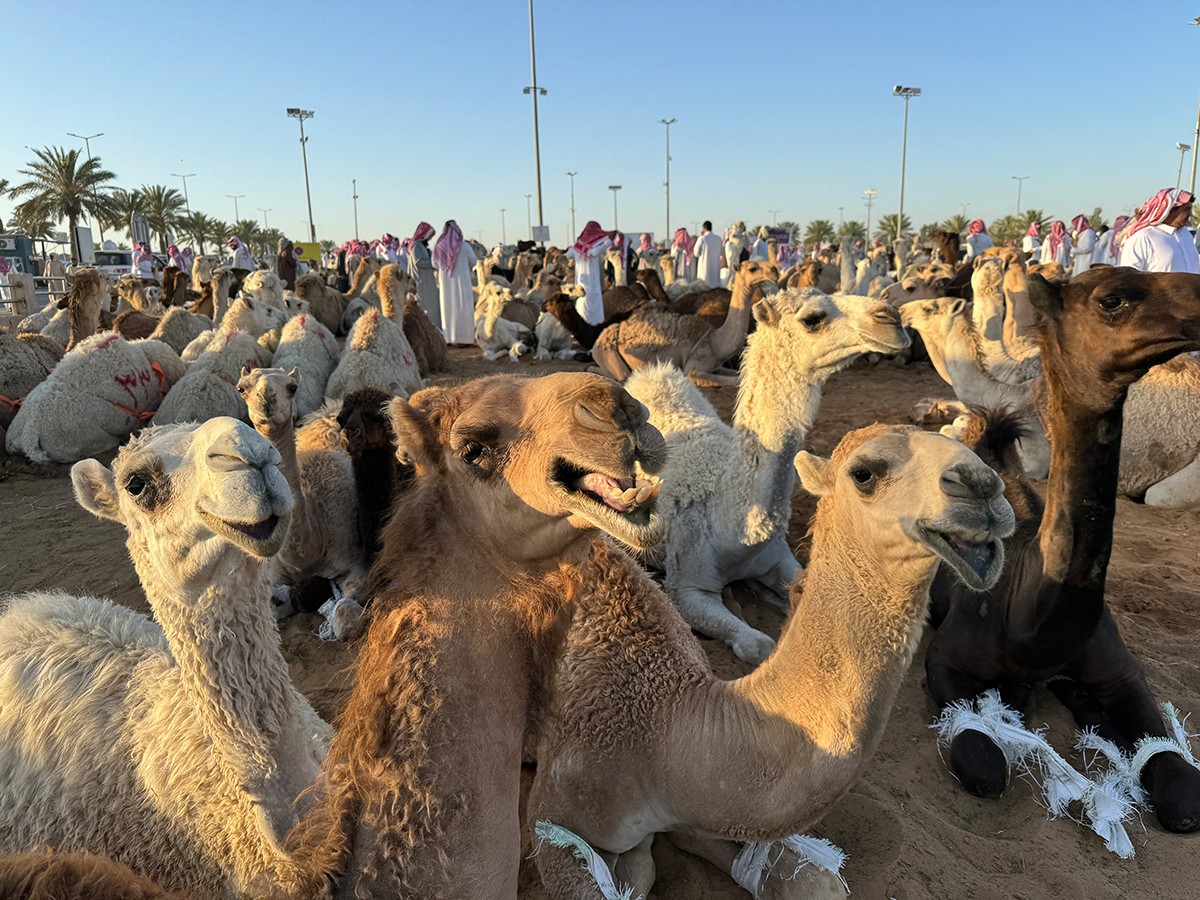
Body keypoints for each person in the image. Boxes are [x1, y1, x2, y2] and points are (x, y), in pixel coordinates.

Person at [1118, 188, 1199, 274]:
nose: (1190, 214)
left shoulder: (1186, 235)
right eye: (1186, 209)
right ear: (1170, 210)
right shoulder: (1142, 238)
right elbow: (1128, 278)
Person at [432, 219, 478, 346]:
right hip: (462, 283)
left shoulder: (439, 246)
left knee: (448, 309)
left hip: (446, 285)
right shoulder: (464, 245)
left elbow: (434, 263)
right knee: (463, 308)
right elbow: (474, 261)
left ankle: (449, 339)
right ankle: (465, 339)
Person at [567, 221, 612, 325]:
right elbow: (597, 251)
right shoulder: (594, 247)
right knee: (594, 307)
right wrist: (608, 239)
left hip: (580, 282)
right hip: (593, 283)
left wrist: (577, 243)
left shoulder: (577, 247)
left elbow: (568, 255)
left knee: (581, 305)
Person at [407, 221, 441, 329]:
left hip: (427, 281)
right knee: (424, 307)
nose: (429, 240)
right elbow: (419, 262)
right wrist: (433, 264)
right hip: (421, 282)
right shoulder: (416, 245)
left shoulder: (421, 246)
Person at [695, 221, 724, 287]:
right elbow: (721, 253)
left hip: (704, 273)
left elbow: (696, 253)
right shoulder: (718, 239)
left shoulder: (702, 238)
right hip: (715, 274)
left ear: (704, 229)